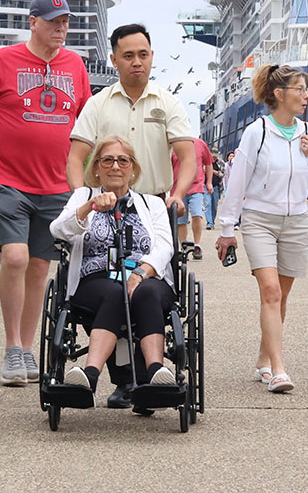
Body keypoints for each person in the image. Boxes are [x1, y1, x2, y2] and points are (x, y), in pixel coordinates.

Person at [66, 23, 195, 407]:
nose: (137, 62)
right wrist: (82, 199)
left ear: (152, 56)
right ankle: (127, 379)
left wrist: (176, 195)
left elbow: (187, 157)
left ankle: (144, 378)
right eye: (128, 55)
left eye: (143, 54)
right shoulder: (99, 103)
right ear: (114, 59)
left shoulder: (167, 102)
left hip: (153, 204)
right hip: (102, 204)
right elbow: (76, 157)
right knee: (109, 281)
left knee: (145, 285)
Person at [0, 0, 91, 386]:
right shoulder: (4, 60)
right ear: (33, 22)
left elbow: (87, 121)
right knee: (16, 258)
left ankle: (26, 345)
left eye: (65, 21)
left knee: (39, 267)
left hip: (57, 184)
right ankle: (10, 348)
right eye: (54, 21)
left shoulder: (76, 65)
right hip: (9, 179)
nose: (61, 28)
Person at [215, 64, 308, 394]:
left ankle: (264, 358)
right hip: (260, 219)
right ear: (279, 94)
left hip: (296, 221)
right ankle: (278, 369)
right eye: (299, 89)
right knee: (271, 292)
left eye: (305, 89)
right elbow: (237, 182)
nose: (305, 95)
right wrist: (227, 227)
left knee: (282, 295)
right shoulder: (257, 132)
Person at [49, 136, 177, 399]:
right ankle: (89, 376)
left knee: (148, 293)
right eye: (107, 160)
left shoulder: (152, 204)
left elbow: (165, 247)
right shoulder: (82, 196)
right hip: (94, 280)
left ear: (133, 168)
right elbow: (57, 230)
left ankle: (155, 373)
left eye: (123, 160)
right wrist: (89, 208)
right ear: (96, 168)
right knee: (115, 293)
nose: (115, 166)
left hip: (146, 277)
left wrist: (140, 273)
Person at [171, 137, 213, 259]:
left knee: (196, 214)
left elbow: (209, 163)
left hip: (197, 186)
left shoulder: (200, 143)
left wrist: (209, 182)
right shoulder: (172, 146)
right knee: (181, 220)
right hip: (178, 188)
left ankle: (197, 245)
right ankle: (184, 246)